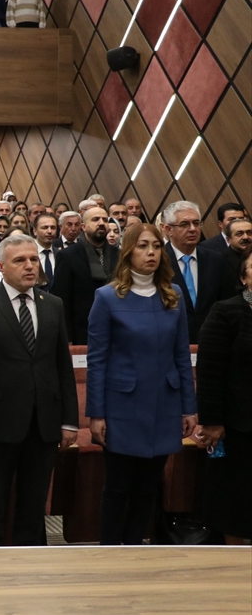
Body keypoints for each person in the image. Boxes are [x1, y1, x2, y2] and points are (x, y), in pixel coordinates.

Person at [0, 233, 77, 546]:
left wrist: (69, 420)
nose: (29, 266)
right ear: (1, 266)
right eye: (20, 260)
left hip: (44, 423)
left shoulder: (53, 305)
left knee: (34, 505)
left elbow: (63, 367)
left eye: (33, 259)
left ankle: (32, 570)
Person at [87, 223, 197, 546]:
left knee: (148, 487)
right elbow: (97, 360)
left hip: (164, 403)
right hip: (122, 406)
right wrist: (96, 414)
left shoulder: (172, 295)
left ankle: (136, 550)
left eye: (156, 246)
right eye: (142, 246)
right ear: (128, 251)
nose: (151, 253)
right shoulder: (107, 297)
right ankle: (109, 551)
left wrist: (189, 407)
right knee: (118, 486)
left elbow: (181, 355)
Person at [194, 249, 252, 544]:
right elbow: (209, 372)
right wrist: (212, 421)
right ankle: (235, 556)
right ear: (244, 277)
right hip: (237, 423)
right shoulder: (225, 311)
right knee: (235, 496)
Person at [53, 205, 119, 345]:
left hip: (115, 329)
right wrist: (68, 337)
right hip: (82, 332)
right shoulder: (68, 256)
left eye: (104, 220)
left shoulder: (118, 254)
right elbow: (62, 299)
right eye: (95, 219)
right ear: (83, 227)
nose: (101, 223)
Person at [160, 200, 223, 343]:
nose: (193, 229)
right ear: (168, 229)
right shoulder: (158, 261)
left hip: (210, 342)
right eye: (184, 224)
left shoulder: (215, 259)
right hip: (171, 342)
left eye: (196, 223)